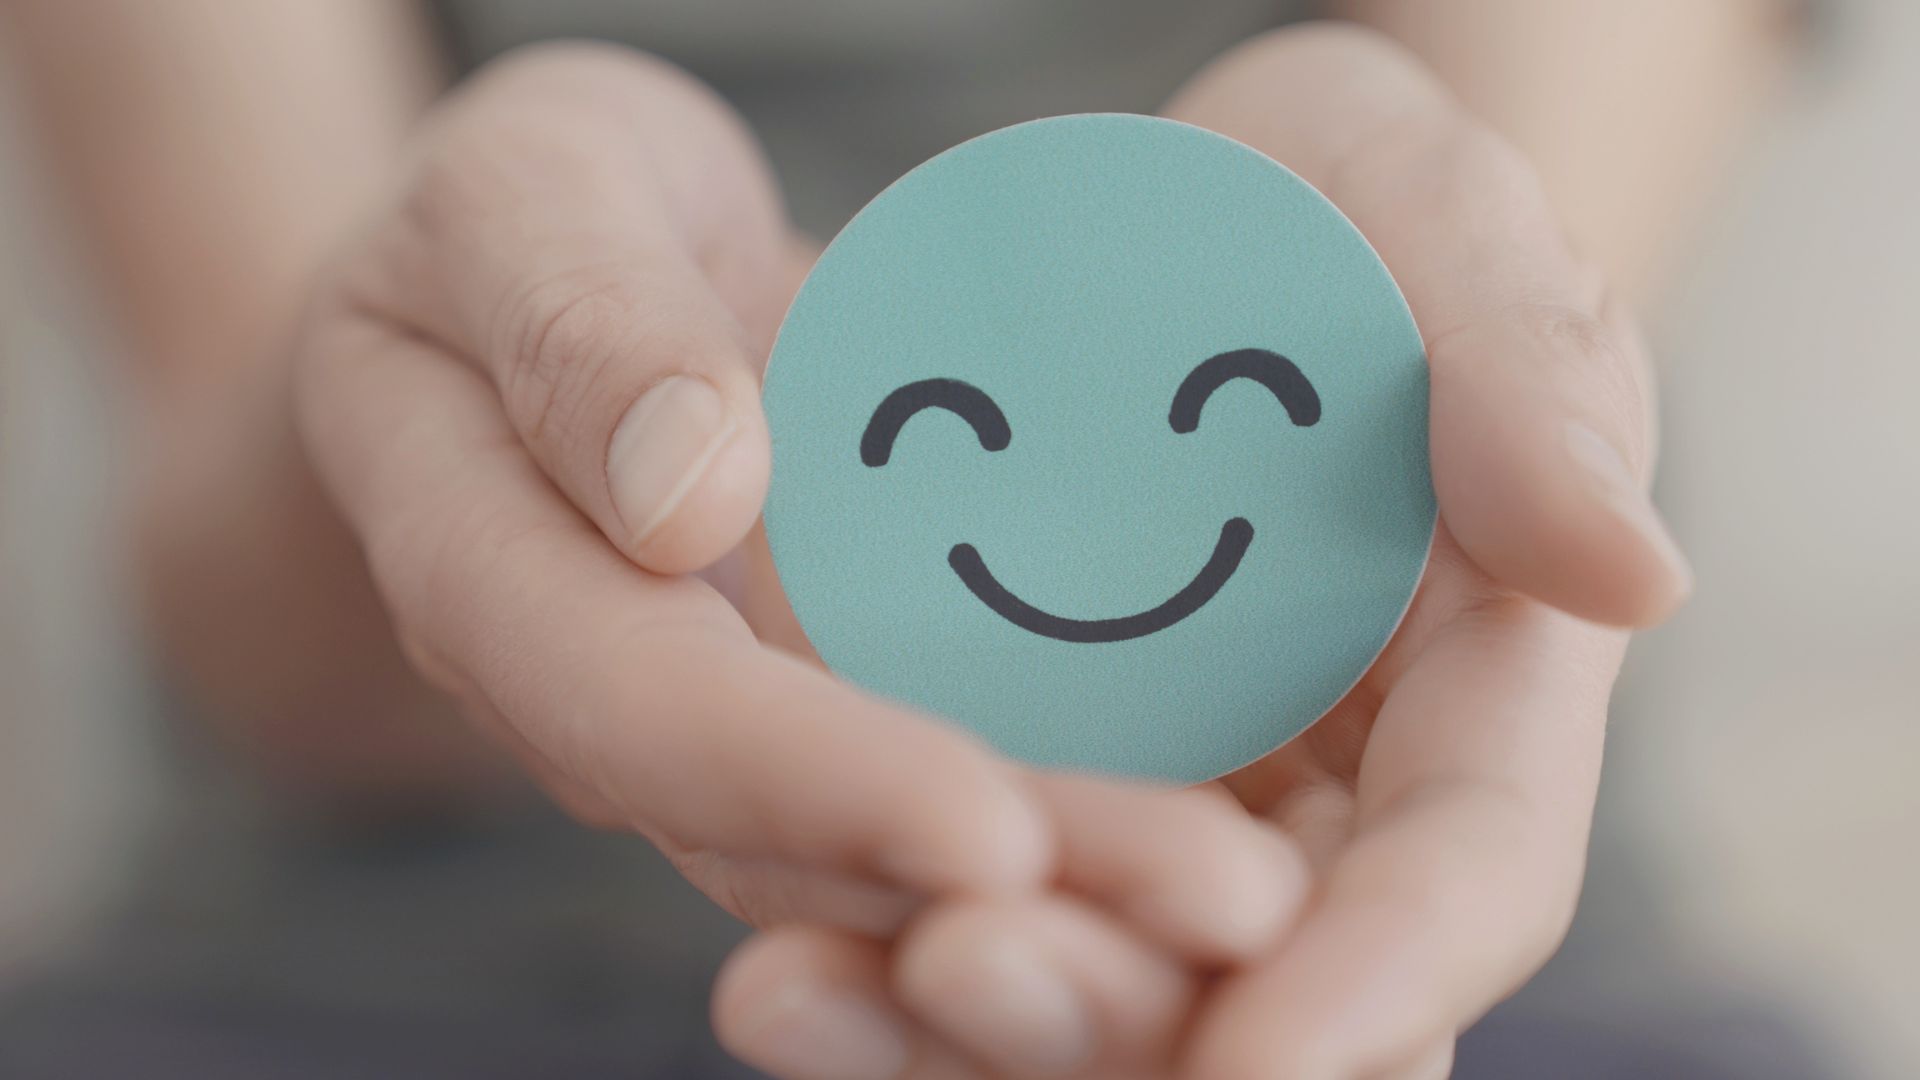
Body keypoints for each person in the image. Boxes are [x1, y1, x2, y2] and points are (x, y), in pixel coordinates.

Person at [0, 2, 1795, 1077]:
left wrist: (1458, 288)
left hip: (1455, 951)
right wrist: (439, 369)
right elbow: (257, 603)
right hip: (327, 995)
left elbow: (1490, 315)